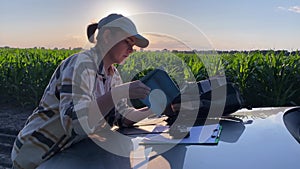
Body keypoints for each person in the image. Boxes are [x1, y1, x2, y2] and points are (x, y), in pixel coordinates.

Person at [11, 13, 155, 169]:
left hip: (69, 152)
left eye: (133, 46)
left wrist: (154, 108)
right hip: (37, 155)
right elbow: (74, 124)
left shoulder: (113, 75)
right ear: (107, 36)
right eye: (128, 42)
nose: (131, 50)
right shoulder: (81, 64)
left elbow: (119, 117)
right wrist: (118, 93)